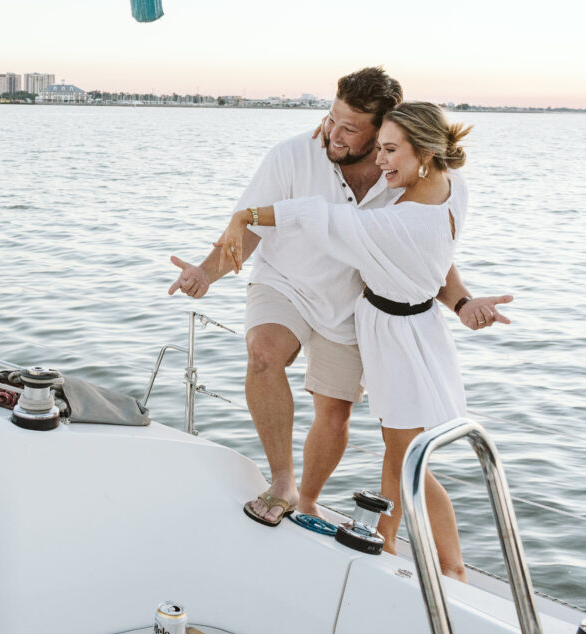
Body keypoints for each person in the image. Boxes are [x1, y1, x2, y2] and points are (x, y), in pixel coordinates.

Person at [168, 67, 512, 527]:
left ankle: (307, 500)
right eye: (332, 118)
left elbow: (426, 256)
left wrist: (464, 303)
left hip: (354, 305)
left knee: (334, 413)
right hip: (285, 282)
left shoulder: (404, 177)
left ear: (384, 128)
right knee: (263, 354)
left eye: (351, 128)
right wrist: (206, 273)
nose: (334, 133)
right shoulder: (292, 155)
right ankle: (282, 481)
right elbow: (247, 223)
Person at [216, 101, 474, 579]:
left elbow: (314, 216)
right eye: (378, 147)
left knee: (407, 460)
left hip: (396, 337)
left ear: (425, 153)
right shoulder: (450, 187)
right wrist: (463, 303)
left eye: (391, 151)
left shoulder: (397, 219)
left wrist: (245, 215)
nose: (380, 162)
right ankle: (397, 548)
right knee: (402, 456)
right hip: (412, 331)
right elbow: (439, 262)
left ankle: (447, 567)